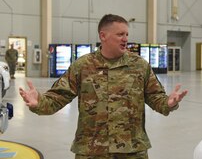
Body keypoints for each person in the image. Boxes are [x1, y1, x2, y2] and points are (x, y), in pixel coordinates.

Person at [19, 14, 188, 159]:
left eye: (127, 34)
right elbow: (58, 97)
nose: (125, 39)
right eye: (120, 34)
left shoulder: (139, 66)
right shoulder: (83, 66)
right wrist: (38, 102)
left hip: (132, 150)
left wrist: (168, 103)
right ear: (103, 36)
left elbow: (155, 97)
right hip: (92, 150)